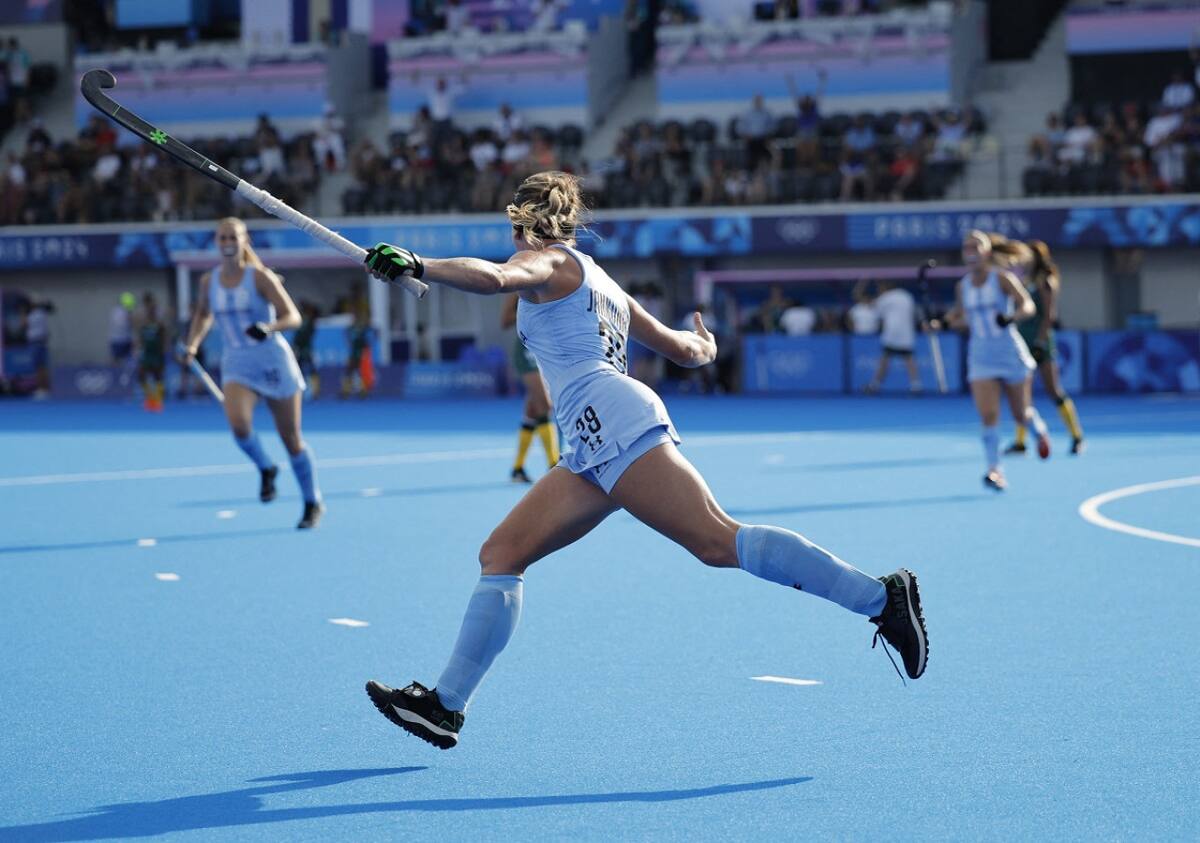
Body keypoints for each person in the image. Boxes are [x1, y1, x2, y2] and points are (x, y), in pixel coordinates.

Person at [361, 171, 928, 749]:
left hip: (610, 418)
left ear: (520, 222)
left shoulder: (548, 263)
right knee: (502, 553)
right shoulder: (602, 281)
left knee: (715, 541)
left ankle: (882, 597)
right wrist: (704, 344)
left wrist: (418, 262)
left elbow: (498, 277)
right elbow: (683, 350)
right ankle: (445, 705)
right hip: (591, 437)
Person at [182, 217, 324, 529]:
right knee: (239, 425)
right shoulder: (209, 281)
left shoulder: (260, 278)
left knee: (291, 438)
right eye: (222, 237)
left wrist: (269, 327)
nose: (228, 242)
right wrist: (192, 343)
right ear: (216, 242)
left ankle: (312, 501)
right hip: (237, 362)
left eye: (233, 237)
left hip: (272, 360)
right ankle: (266, 467)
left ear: (245, 240)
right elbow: (203, 314)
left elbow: (293, 317)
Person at [942, 230, 1049, 491]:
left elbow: (1028, 305)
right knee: (988, 415)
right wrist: (940, 323)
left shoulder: (1002, 279)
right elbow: (959, 316)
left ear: (987, 252)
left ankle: (1038, 430)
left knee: (1020, 415)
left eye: (976, 246)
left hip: (1009, 351)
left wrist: (1013, 317)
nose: (971, 251)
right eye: (966, 247)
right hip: (980, 355)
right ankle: (995, 470)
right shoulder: (962, 286)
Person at [1006, 240, 1086, 456]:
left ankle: (1077, 437)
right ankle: (1020, 442)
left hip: (1040, 343)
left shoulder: (1045, 281)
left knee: (1054, 390)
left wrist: (1040, 342)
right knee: (1022, 394)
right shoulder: (1023, 280)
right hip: (1022, 341)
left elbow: (1050, 316)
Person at [500, 293, 559, 483]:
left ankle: (518, 469)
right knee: (545, 405)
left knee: (533, 411)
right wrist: (532, 313)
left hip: (546, 350)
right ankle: (554, 465)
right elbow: (505, 321)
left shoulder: (553, 284)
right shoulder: (517, 289)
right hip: (528, 352)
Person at [866, 281, 920, 394]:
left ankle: (874, 386)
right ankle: (916, 386)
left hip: (892, 333)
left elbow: (874, 311)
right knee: (909, 359)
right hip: (906, 333)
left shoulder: (885, 297)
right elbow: (914, 313)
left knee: (885, 360)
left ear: (884, 287)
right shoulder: (907, 295)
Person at [135, 292, 167, 413]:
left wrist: (164, 350)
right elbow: (140, 339)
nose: (150, 312)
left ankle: (157, 402)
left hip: (157, 354)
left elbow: (165, 339)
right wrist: (138, 348)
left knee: (158, 377)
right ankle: (151, 398)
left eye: (152, 311)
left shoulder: (160, 326)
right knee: (141, 376)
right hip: (147, 354)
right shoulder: (143, 325)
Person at [293, 301, 320, 399]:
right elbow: (297, 337)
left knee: (312, 369)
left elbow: (306, 335)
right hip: (300, 349)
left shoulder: (311, 322)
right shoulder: (300, 321)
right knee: (298, 370)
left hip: (307, 349)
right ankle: (299, 390)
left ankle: (316, 390)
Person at [109, 292, 135, 366]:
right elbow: (122, 325)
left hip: (127, 339)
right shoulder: (117, 312)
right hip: (117, 340)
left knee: (129, 359)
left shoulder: (128, 312)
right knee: (115, 359)